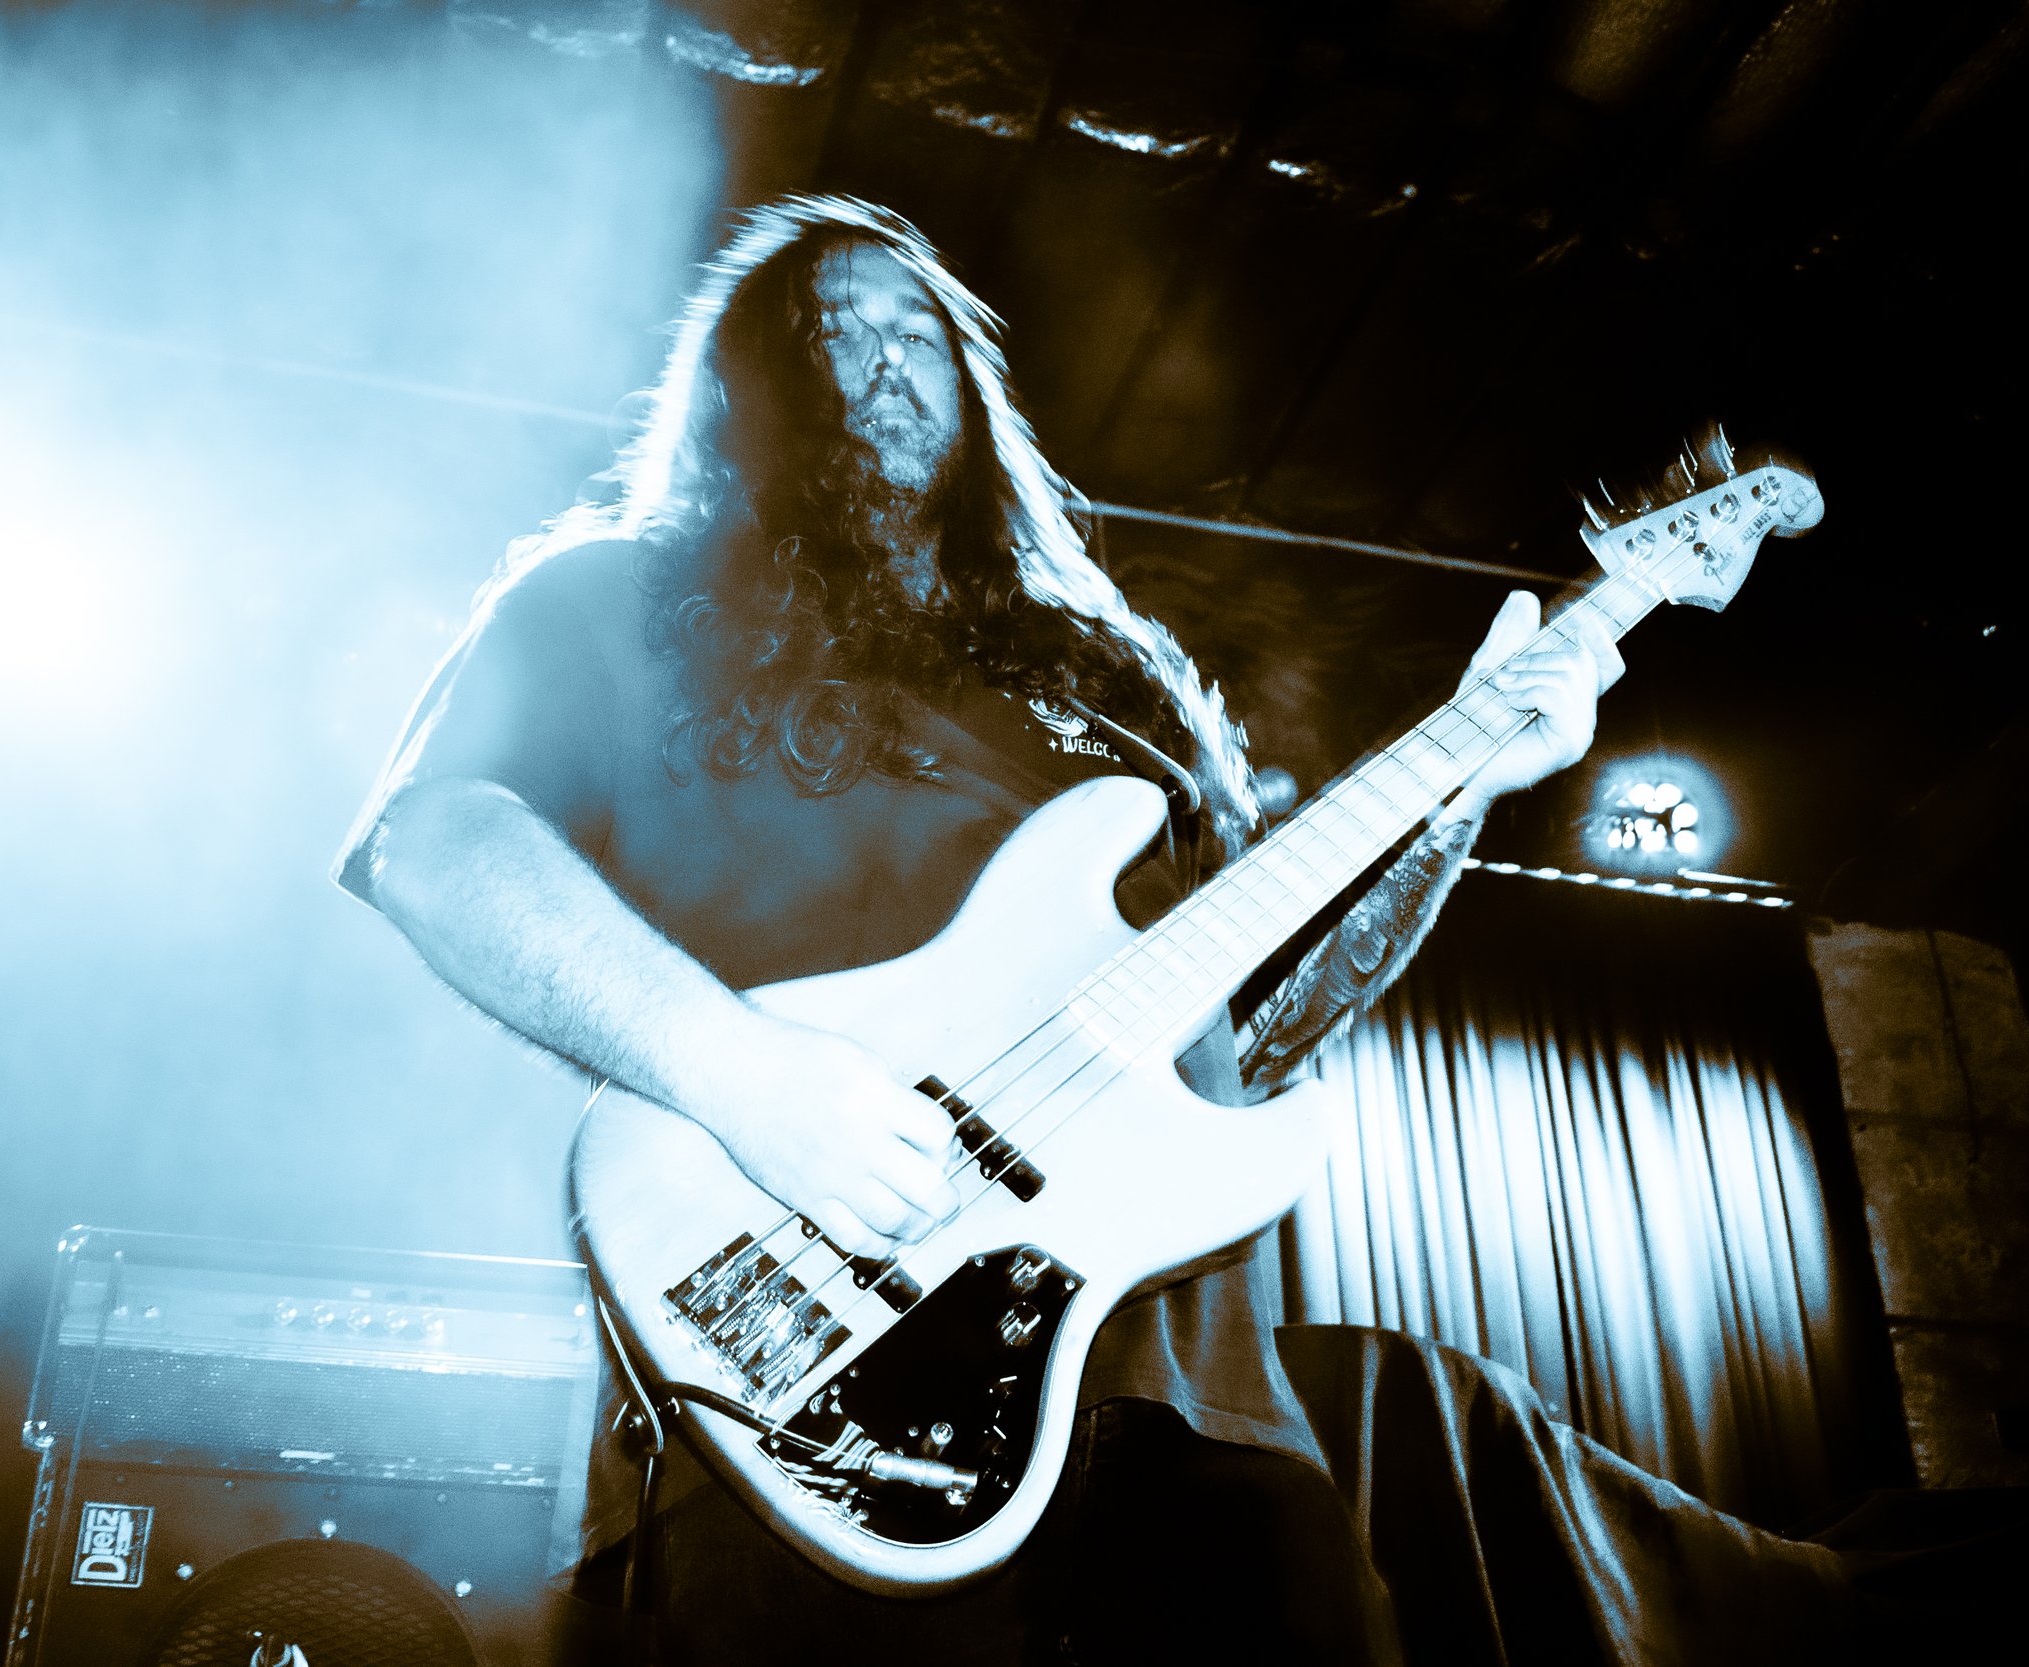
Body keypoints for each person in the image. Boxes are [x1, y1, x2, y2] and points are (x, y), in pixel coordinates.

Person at [336, 196, 1619, 1666]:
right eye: (826, 333)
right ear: (740, 389)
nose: (879, 361)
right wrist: (740, 1075)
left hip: (1189, 1407)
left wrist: (1463, 793)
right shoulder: (614, 597)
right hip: (811, 1398)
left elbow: (1261, 1026)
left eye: (914, 332)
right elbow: (437, 845)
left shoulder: (1111, 672)